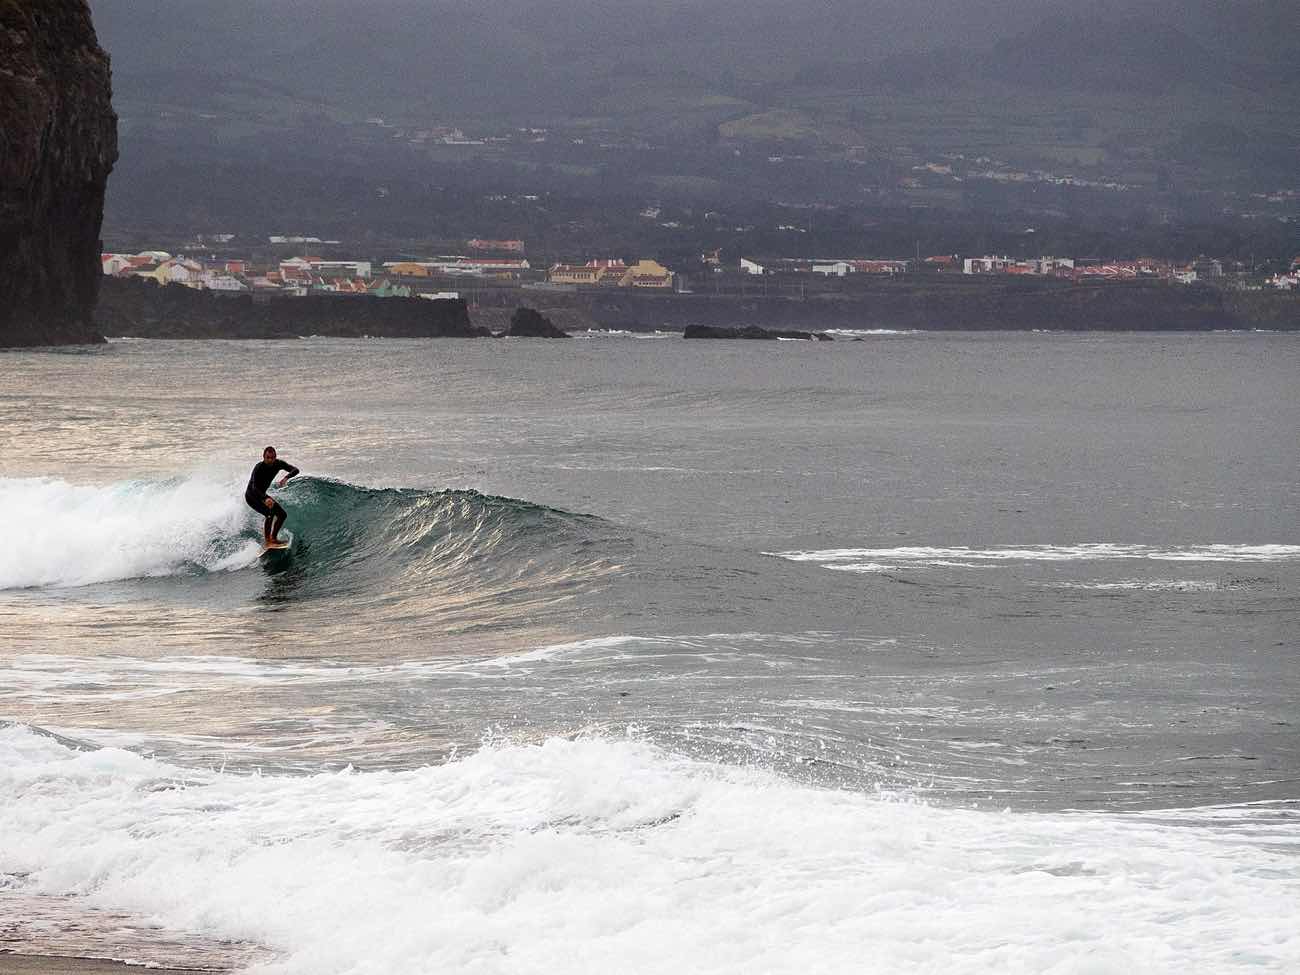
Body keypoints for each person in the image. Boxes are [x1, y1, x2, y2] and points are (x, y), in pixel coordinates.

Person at [245, 446, 299, 546]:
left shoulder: (278, 464)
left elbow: (295, 470)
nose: (270, 460)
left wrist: (286, 477)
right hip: (251, 496)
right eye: (268, 457)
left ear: (275, 457)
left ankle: (273, 538)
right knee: (269, 513)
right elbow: (253, 487)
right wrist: (265, 498)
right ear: (263, 457)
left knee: (282, 515)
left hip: (262, 495)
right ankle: (268, 541)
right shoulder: (259, 467)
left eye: (272, 457)